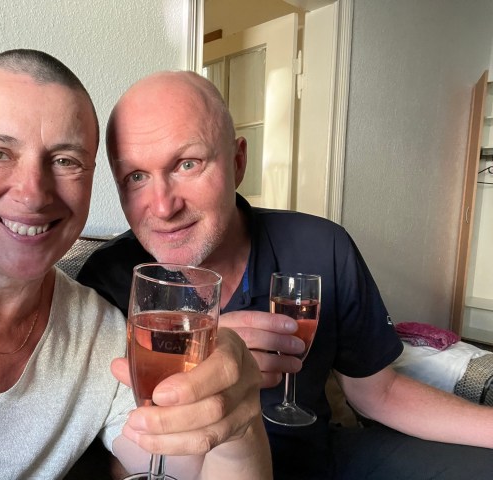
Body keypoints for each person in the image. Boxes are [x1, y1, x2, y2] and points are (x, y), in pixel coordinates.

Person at [0, 50, 273, 479]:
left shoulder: (103, 335)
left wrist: (238, 425)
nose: (33, 194)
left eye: (65, 161)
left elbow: (187, 471)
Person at [77, 70, 493, 479]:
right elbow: (110, 440)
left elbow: (378, 392)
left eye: (187, 164)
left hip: (323, 458)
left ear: (238, 161)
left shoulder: (322, 247)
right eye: (135, 176)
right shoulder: (109, 280)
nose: (163, 207)